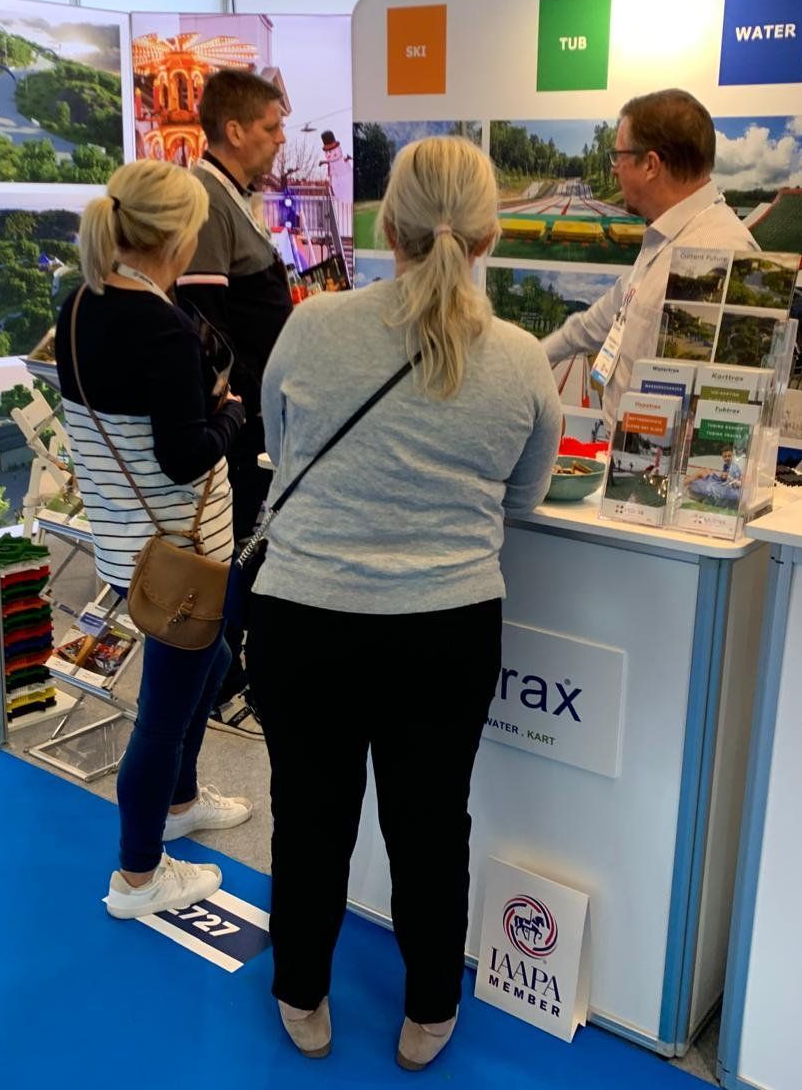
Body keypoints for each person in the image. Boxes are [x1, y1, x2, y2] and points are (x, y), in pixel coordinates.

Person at [249, 135, 561, 1069]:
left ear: (389, 227)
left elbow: (280, 445)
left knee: (309, 816)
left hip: (304, 616)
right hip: (447, 628)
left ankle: (301, 990)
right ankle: (430, 1007)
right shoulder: (519, 359)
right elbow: (524, 494)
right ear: (489, 236)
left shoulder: (314, 326)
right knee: (430, 826)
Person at [53, 160, 254, 920]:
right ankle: (138, 875)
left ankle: (180, 802)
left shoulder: (80, 303)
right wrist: (231, 416)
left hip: (128, 542)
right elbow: (184, 455)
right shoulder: (163, 329)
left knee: (213, 663)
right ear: (177, 236)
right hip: (181, 551)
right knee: (164, 712)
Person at [174, 68, 288, 739]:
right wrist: (245, 405)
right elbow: (204, 322)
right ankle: (222, 679)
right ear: (236, 130)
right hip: (241, 425)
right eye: (271, 128)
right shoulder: (207, 199)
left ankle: (232, 672)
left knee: (252, 545)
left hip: (257, 415)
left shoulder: (233, 196)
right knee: (239, 547)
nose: (280, 140)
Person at [540, 89, 756, 433]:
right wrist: (533, 357)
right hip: (629, 453)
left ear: (651, 165)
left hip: (654, 462)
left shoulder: (718, 252)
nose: (614, 170)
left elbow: (712, 414)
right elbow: (602, 319)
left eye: (618, 156)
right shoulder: (665, 237)